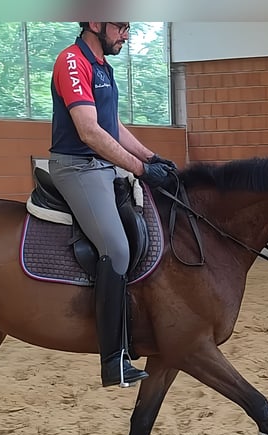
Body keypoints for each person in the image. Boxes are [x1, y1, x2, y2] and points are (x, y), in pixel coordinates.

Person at [48, 21, 177, 388]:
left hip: (103, 166)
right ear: (94, 23)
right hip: (78, 167)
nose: (126, 34)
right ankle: (113, 359)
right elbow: (89, 132)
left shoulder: (102, 65)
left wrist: (152, 158)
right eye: (120, 27)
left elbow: (112, 126)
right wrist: (140, 169)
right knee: (117, 250)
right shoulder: (72, 62)